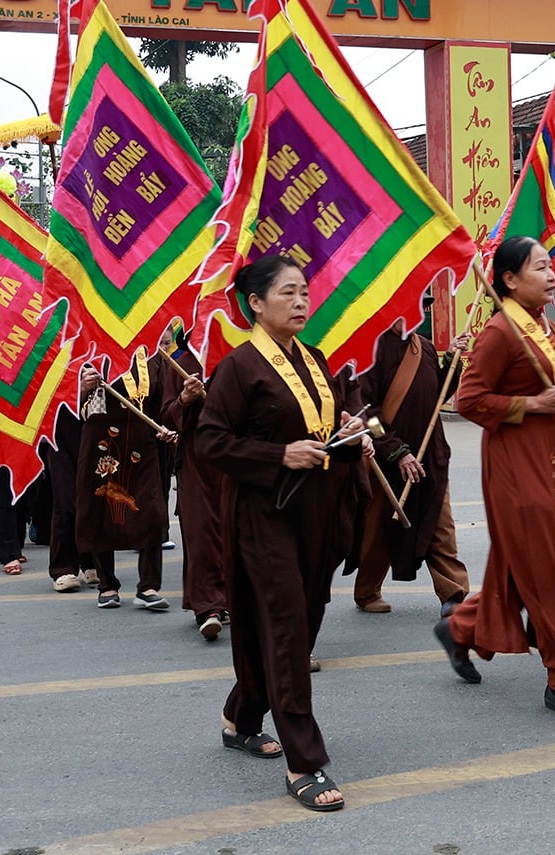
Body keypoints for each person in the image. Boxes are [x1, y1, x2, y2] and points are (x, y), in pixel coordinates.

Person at [195, 256, 369, 812]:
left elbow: (318, 426)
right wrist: (278, 454)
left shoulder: (315, 360)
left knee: (293, 623)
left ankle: (242, 718)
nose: (301, 302)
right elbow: (211, 442)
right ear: (256, 303)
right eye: (288, 292)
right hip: (262, 514)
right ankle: (304, 761)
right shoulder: (238, 368)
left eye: (304, 292)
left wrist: (345, 434)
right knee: (288, 628)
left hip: (315, 513)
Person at [433, 237, 555, 721]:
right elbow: (469, 400)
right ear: (510, 279)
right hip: (516, 468)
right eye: (541, 267)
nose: (552, 275)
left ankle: (462, 629)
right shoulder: (501, 331)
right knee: (547, 574)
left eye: (550, 266)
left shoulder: (546, 329)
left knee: (520, 568)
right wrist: (531, 406)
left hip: (554, 462)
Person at [351, 322, 471, 617]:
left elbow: (438, 394)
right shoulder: (372, 349)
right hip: (388, 458)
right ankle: (367, 590)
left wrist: (452, 362)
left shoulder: (425, 346)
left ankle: (453, 593)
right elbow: (369, 413)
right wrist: (396, 451)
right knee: (379, 530)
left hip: (430, 454)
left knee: (440, 526)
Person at [75, 350, 176, 611]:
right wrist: (82, 388)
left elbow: (162, 402)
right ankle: (107, 585)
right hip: (102, 442)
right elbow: (63, 401)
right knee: (101, 508)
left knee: (151, 512)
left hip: (143, 444)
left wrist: (166, 426)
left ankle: (148, 586)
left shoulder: (153, 355)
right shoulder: (93, 351)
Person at [169, 338, 228, 639]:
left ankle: (226, 597)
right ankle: (209, 607)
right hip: (196, 459)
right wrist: (184, 399)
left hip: (234, 456)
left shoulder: (242, 352)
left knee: (232, 530)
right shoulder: (180, 359)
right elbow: (166, 412)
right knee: (200, 530)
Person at [41, 406, 95, 591]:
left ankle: (92, 560)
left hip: (96, 420)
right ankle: (62, 567)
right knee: (65, 499)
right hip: (60, 421)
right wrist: (79, 388)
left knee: (96, 496)